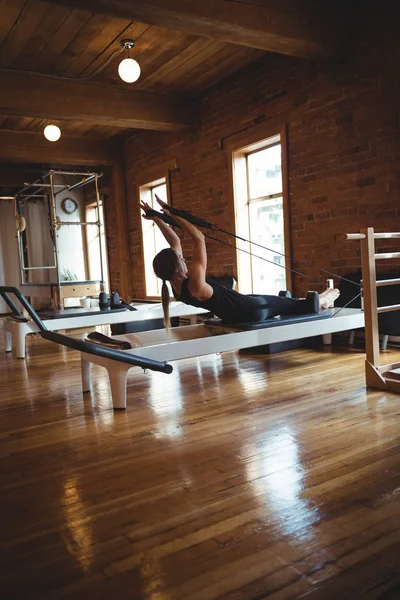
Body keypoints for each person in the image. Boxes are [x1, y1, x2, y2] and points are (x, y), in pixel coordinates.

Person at [140, 196, 340, 330]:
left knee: (283, 302)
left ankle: (315, 300)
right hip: (251, 311)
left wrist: (157, 217)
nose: (184, 259)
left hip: (242, 307)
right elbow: (199, 239)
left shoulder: (176, 288)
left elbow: (174, 241)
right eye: (181, 260)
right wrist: (171, 212)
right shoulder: (194, 285)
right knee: (291, 304)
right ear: (176, 269)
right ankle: (322, 301)